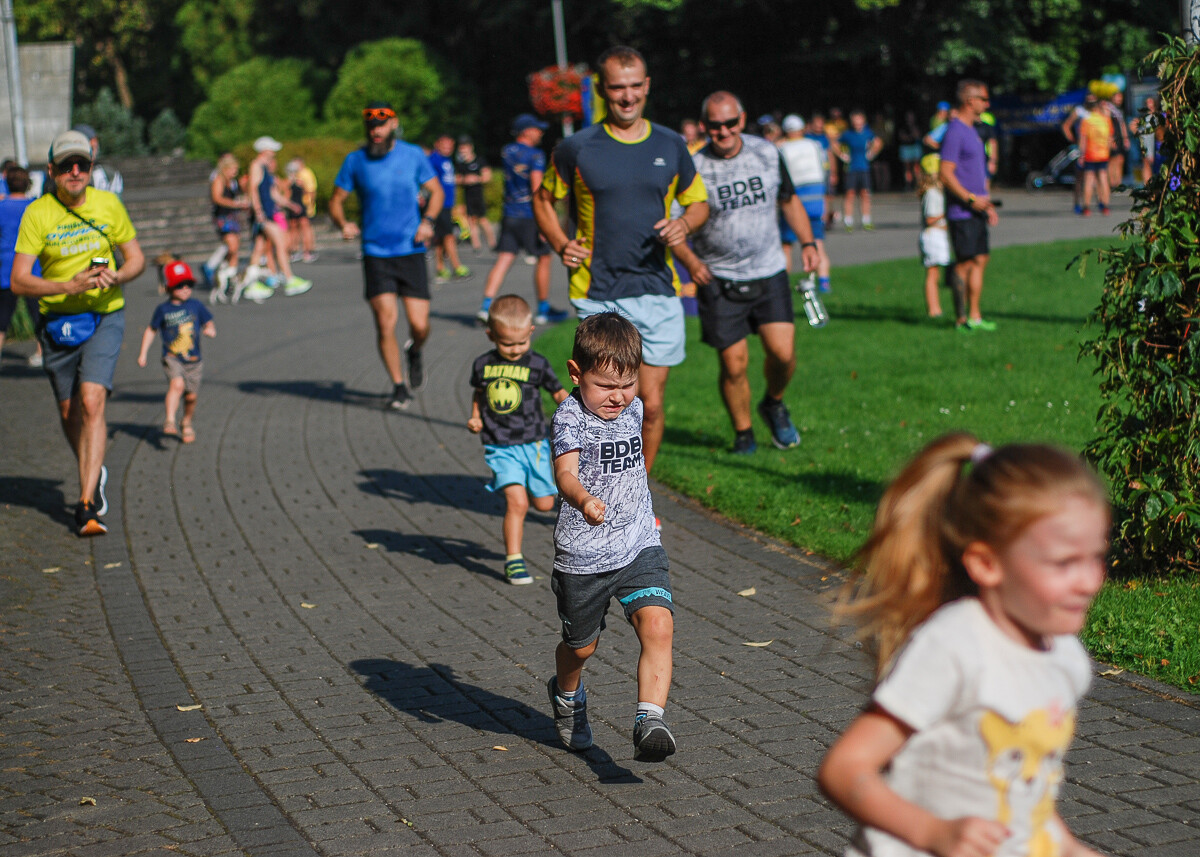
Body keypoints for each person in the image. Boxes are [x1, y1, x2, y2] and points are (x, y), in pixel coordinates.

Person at [818, 433, 1110, 857]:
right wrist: (933, 832)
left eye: (1096, 557)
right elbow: (844, 770)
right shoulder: (953, 647)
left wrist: (1067, 847)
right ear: (987, 564)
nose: (1089, 581)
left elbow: (1028, 790)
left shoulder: (1064, 656)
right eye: (1065, 563)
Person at [533, 45, 709, 476]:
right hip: (598, 291)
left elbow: (699, 202)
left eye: (635, 87)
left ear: (646, 86)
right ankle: (586, 486)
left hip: (658, 289)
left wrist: (685, 224)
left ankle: (637, 493)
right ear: (601, 89)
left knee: (648, 408)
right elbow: (542, 199)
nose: (627, 97)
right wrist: (560, 242)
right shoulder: (577, 148)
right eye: (617, 88)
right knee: (600, 405)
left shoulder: (671, 143)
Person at [548, 312, 676, 762]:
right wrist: (584, 500)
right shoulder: (570, 418)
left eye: (627, 384)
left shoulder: (635, 407)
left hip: (638, 541)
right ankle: (567, 695)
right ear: (575, 373)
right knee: (582, 646)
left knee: (658, 624)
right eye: (605, 386)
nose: (618, 397)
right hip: (583, 555)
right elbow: (564, 473)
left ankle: (649, 719)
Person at [12, 129, 146, 536]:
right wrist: (67, 287)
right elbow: (19, 281)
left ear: (91, 168)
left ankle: (87, 504)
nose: (75, 171)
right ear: (51, 171)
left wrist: (118, 275)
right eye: (67, 165)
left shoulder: (109, 205)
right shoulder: (37, 214)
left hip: (105, 315)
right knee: (71, 412)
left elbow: (136, 258)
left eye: (83, 164)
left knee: (92, 401)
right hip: (56, 323)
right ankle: (94, 468)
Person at [678, 93, 818, 455]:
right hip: (719, 277)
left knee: (783, 354)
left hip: (768, 270)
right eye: (714, 125)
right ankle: (744, 435)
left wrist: (808, 243)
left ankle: (773, 402)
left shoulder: (767, 152)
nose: (723, 131)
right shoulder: (694, 166)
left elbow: (788, 200)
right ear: (704, 125)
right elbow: (676, 226)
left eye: (730, 123)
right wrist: (692, 264)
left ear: (742, 120)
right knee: (733, 363)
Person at [330, 101, 444, 411]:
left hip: (411, 250)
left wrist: (428, 221)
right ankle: (398, 386)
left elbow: (437, 191)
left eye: (381, 124)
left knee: (420, 325)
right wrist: (343, 223)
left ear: (393, 124)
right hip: (375, 252)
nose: (375, 130)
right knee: (385, 322)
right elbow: (336, 200)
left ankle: (415, 350)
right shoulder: (355, 161)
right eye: (370, 126)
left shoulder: (412, 155)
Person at [467, 295, 568, 584]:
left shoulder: (537, 364)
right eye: (506, 344)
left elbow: (557, 391)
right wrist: (475, 415)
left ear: (530, 333)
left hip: (534, 445)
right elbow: (479, 392)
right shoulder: (482, 365)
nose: (514, 350)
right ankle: (513, 560)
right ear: (491, 335)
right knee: (517, 503)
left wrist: (573, 412)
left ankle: (541, 493)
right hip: (499, 445)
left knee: (545, 505)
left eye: (521, 343)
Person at [477, 115, 567, 326]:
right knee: (544, 258)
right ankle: (544, 309)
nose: (541, 133)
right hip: (529, 214)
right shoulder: (535, 155)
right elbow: (537, 188)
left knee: (505, 258)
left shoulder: (507, 151)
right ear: (526, 131)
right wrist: (544, 220)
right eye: (537, 129)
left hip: (509, 214)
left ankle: (485, 306)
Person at [939, 79, 999, 332]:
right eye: (983, 99)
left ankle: (975, 315)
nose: (987, 103)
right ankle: (961, 319)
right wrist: (971, 199)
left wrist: (987, 205)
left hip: (977, 209)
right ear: (969, 101)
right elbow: (945, 173)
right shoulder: (954, 131)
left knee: (981, 259)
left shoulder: (974, 130)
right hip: (962, 211)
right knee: (964, 263)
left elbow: (977, 173)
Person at [136, 261, 215, 444]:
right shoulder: (163, 310)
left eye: (189, 284)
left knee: (191, 396)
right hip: (172, 357)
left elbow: (208, 322)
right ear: (168, 287)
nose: (186, 288)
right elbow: (151, 330)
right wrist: (143, 353)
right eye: (180, 285)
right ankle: (170, 419)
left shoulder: (196, 305)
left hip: (194, 360)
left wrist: (210, 329)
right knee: (177, 385)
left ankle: (186, 421)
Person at [246, 136, 312, 300]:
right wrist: (258, 211)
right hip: (264, 215)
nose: (274, 152)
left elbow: (273, 193)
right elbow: (253, 189)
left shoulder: (265, 168)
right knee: (281, 242)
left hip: (267, 213)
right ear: (264, 150)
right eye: (272, 149)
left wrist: (290, 204)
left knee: (259, 248)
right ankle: (289, 279)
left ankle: (251, 283)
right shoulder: (256, 165)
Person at [778, 114, 832, 291]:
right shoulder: (814, 145)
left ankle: (783, 284)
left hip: (794, 198)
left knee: (786, 245)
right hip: (816, 196)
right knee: (817, 242)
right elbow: (825, 169)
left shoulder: (782, 148)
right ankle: (824, 282)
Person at [0, 167, 44, 367]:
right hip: (32, 269)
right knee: (38, 315)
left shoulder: (1, 207)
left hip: (6, 269)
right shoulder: (36, 207)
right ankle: (41, 353)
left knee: (2, 318)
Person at [428, 133, 470, 284]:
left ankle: (440, 267)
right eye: (444, 145)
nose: (448, 148)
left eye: (450, 146)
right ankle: (457, 266)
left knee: (440, 238)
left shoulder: (447, 160)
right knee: (449, 236)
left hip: (448, 204)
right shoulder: (433, 160)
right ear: (437, 144)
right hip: (439, 204)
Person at [208, 153, 249, 303]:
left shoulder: (233, 182)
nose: (235, 172)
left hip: (233, 217)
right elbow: (217, 198)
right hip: (223, 217)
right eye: (232, 169)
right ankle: (218, 269)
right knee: (231, 246)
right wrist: (235, 204)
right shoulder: (219, 179)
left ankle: (228, 274)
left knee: (235, 248)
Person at [838, 110, 882, 231]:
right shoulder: (847, 134)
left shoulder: (868, 133)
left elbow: (878, 142)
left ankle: (866, 220)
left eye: (860, 122)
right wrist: (842, 155)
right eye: (855, 122)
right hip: (851, 168)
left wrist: (872, 153)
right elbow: (834, 143)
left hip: (864, 167)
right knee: (850, 194)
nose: (857, 124)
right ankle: (848, 221)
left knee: (865, 194)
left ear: (863, 122)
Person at [916, 154, 947, 319]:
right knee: (932, 274)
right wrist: (946, 214)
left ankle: (936, 308)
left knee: (936, 274)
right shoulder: (932, 193)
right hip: (932, 236)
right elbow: (930, 218)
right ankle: (933, 309)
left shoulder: (936, 192)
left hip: (938, 235)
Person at [454, 136, 496, 252]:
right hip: (468, 195)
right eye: (461, 148)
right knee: (471, 220)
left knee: (483, 220)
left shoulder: (479, 161)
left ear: (470, 147)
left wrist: (476, 179)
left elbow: (488, 176)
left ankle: (492, 242)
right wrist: (464, 180)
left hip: (478, 194)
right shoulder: (461, 164)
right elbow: (455, 179)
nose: (463, 150)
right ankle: (476, 245)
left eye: (465, 147)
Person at [1078, 95, 1112, 217]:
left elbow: (1083, 139)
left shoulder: (1086, 120)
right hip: (1103, 153)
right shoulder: (1106, 119)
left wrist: (1081, 155)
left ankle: (1086, 207)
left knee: (1089, 179)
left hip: (1090, 153)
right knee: (1103, 178)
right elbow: (1109, 138)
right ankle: (1105, 206)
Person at [286, 157, 318, 262]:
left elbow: (287, 196)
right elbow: (308, 192)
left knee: (294, 230)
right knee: (304, 229)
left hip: (293, 206)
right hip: (301, 205)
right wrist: (310, 204)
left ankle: (294, 251)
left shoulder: (288, 182)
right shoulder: (300, 181)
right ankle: (306, 252)